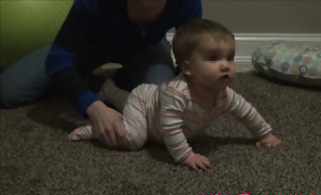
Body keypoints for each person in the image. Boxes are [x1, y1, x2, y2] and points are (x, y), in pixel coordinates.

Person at [68, 19, 283, 170]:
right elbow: (170, 129)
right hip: (146, 103)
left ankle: (108, 89)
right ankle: (93, 130)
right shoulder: (177, 94)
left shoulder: (225, 95)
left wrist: (263, 134)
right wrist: (186, 156)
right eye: (214, 58)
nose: (225, 65)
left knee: (131, 104)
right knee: (134, 138)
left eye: (230, 57)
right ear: (188, 68)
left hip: (152, 99)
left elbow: (247, 112)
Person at [0, 0, 202, 150]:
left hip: (146, 47)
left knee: (160, 104)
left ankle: (118, 81)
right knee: (8, 91)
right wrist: (94, 107)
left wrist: (184, 90)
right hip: (88, 45)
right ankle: (72, 54)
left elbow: (192, 56)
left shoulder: (187, 2)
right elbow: (57, 59)